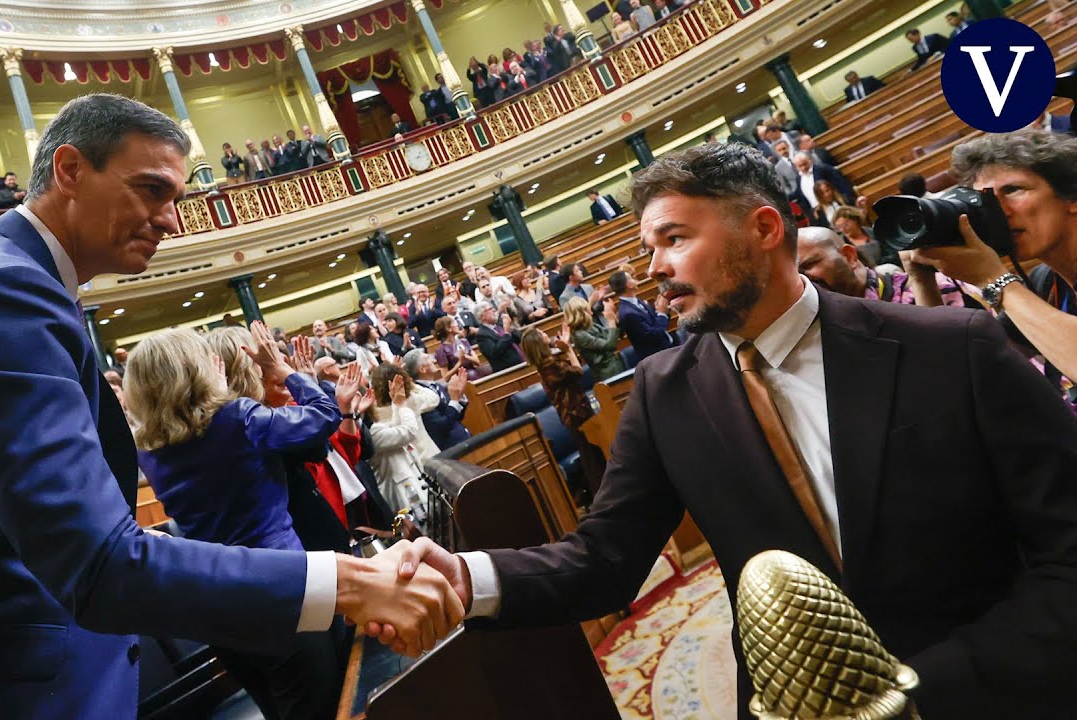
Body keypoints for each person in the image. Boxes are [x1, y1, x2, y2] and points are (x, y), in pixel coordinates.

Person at [0, 93, 462, 720]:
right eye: (151, 189)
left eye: (176, 197)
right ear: (69, 169)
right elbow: (97, 563)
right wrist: (347, 584)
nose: (173, 219)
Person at [388, 141, 1077, 717]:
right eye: (649, 246)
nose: (654, 268)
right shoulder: (663, 394)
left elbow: (1067, 552)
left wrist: (931, 692)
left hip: (987, 694)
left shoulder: (952, 345)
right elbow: (604, 561)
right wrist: (462, 576)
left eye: (675, 238)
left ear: (766, 229)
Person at [127, 326, 345, 720]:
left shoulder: (149, 450)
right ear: (198, 369)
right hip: (285, 591)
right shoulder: (238, 419)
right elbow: (325, 415)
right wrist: (285, 372)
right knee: (328, 707)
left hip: (218, 608)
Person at [910, 129, 1077, 399]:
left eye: (1012, 190)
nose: (998, 211)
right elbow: (967, 368)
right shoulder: (1046, 281)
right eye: (985, 199)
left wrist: (995, 281)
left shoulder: (1022, 285)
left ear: (1071, 198)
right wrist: (923, 281)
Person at [519, 327, 606, 500]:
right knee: (592, 458)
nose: (545, 333)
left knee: (594, 455)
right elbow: (578, 371)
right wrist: (568, 349)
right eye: (541, 333)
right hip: (577, 414)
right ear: (538, 342)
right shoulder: (550, 366)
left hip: (576, 413)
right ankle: (603, 496)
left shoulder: (547, 363)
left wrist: (565, 346)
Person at [797, 226, 969, 307]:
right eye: (795, 274)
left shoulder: (936, 288)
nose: (803, 279)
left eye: (809, 265)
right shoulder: (826, 332)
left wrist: (925, 287)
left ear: (849, 256)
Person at [366, 363, 441, 523]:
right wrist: (411, 385)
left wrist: (397, 405)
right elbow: (434, 399)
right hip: (421, 463)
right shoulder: (409, 401)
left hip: (415, 464)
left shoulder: (377, 410)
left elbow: (395, 424)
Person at [403, 350, 472, 451]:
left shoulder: (437, 386)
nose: (433, 360)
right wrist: (454, 400)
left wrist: (459, 396)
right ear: (422, 369)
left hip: (465, 439)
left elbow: (457, 416)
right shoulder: (420, 396)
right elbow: (441, 427)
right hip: (453, 449)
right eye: (427, 358)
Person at [610, 270, 674, 364]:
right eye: (631, 278)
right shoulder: (628, 314)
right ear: (629, 285)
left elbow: (655, 323)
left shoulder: (635, 301)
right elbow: (653, 336)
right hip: (658, 359)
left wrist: (662, 310)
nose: (635, 279)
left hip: (666, 350)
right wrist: (662, 313)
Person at [563, 296, 623, 381]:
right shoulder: (580, 335)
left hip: (615, 365)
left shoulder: (590, 326)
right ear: (581, 313)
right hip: (607, 373)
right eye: (588, 310)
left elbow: (612, 335)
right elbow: (610, 345)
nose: (591, 313)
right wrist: (611, 321)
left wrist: (614, 317)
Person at [472, 301, 523, 372]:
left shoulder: (499, 324)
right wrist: (506, 333)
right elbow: (495, 353)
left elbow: (519, 339)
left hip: (521, 362)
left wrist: (510, 326)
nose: (494, 310)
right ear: (482, 316)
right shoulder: (482, 335)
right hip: (508, 371)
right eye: (490, 309)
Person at [432, 316, 488, 380]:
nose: (457, 325)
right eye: (454, 323)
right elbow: (445, 377)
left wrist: (465, 356)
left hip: (474, 374)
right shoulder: (441, 350)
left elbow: (477, 361)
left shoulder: (464, 341)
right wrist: (460, 363)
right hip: (459, 380)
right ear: (449, 329)